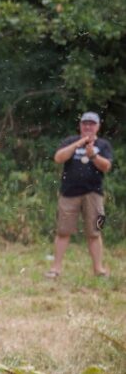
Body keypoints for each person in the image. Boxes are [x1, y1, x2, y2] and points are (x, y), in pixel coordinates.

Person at [47, 112, 113, 278]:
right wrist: (79, 143)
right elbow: (58, 158)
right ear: (80, 125)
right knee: (63, 231)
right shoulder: (70, 141)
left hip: (95, 195)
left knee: (96, 231)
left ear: (98, 126)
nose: (88, 127)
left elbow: (106, 167)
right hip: (69, 194)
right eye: (85, 124)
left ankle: (99, 269)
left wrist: (93, 155)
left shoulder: (103, 145)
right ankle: (55, 268)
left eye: (92, 124)